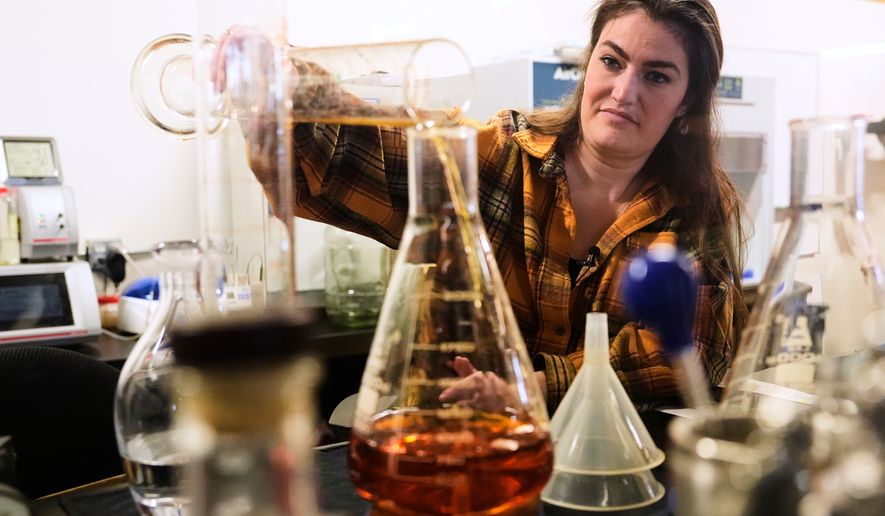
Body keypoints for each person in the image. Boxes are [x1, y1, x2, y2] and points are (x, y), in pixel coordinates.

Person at [232, 0, 747, 413]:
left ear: (687, 101)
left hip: (615, 467)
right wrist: (280, 78)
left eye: (657, 76)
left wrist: (532, 389)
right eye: (611, 61)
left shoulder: (698, 206)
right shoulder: (498, 159)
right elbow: (344, 151)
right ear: (588, 64)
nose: (622, 91)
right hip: (464, 448)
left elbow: (687, 355)